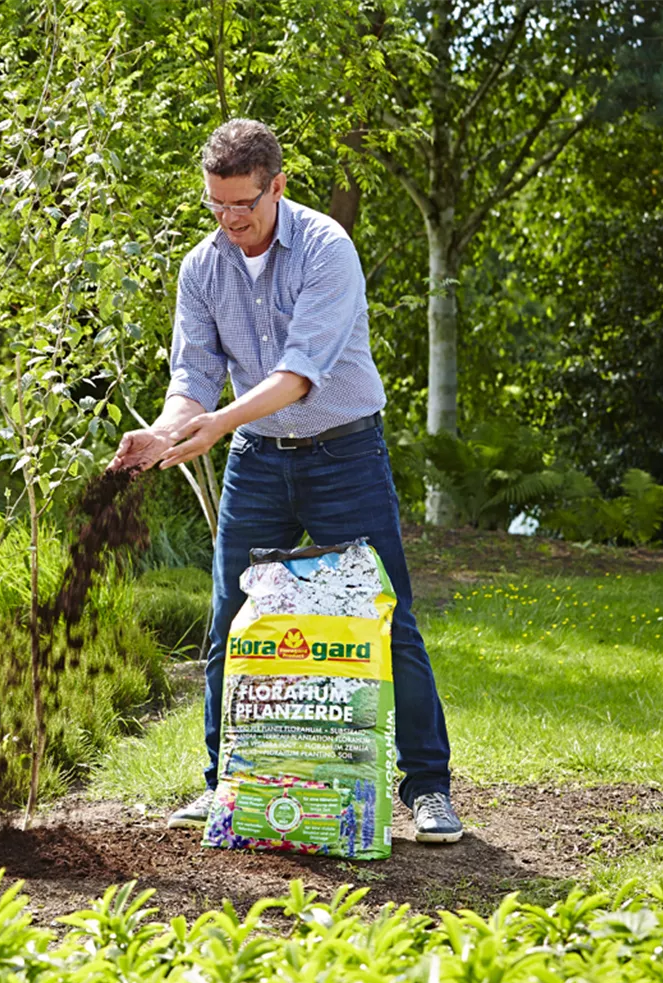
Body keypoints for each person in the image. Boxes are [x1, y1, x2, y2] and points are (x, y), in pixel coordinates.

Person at [109, 119, 462, 844]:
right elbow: (194, 379)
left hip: (345, 456)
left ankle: (427, 789)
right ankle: (223, 789)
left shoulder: (328, 248)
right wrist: (167, 430)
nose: (230, 219)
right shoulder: (201, 268)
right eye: (216, 205)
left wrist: (214, 425)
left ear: (279, 184)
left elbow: (299, 374)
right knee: (227, 628)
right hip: (259, 463)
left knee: (388, 621)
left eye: (243, 204)